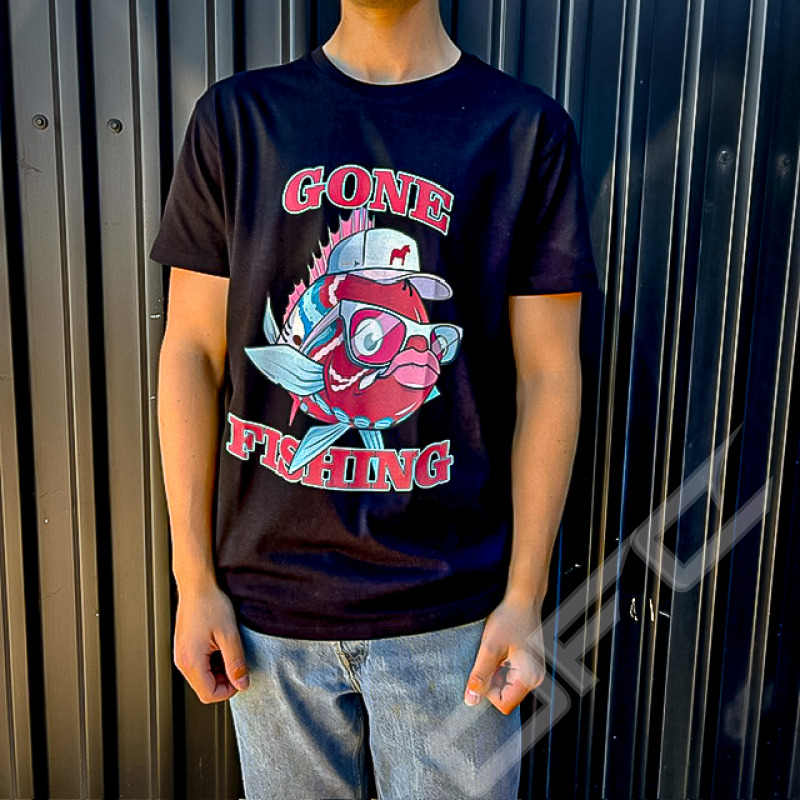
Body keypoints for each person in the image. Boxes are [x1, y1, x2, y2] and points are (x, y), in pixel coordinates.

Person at [151, 0, 598, 797]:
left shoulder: (525, 131)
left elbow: (549, 376)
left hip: (457, 623)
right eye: (373, 317)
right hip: (269, 619)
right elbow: (191, 350)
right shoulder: (239, 119)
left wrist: (525, 597)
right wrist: (194, 582)